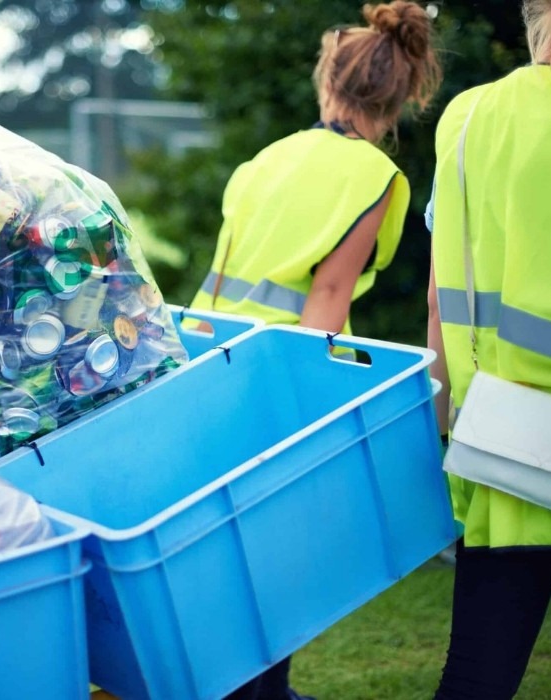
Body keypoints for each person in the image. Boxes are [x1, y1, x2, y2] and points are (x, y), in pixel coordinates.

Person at [190, 2, 442, 698]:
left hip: (204, 364)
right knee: (276, 551)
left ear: (328, 81)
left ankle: (254, 688)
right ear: (403, 96)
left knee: (221, 550)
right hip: (275, 375)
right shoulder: (377, 179)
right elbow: (329, 297)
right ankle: (263, 692)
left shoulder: (267, 158)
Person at [425, 0, 551, 697]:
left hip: (492, 449)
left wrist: (439, 432)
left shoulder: (467, 118)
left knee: (476, 674)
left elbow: (442, 295)